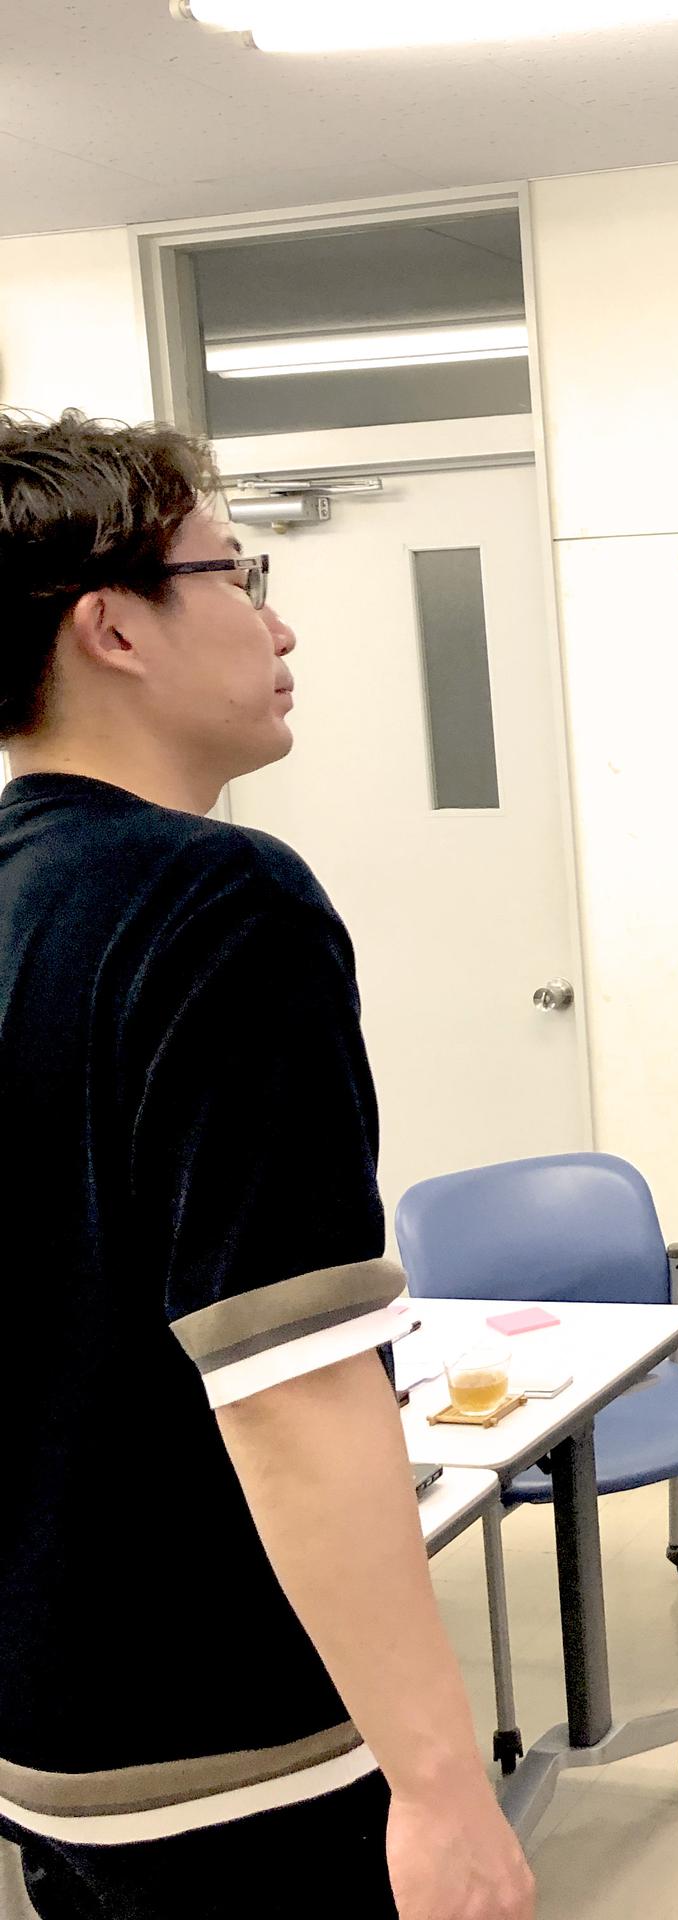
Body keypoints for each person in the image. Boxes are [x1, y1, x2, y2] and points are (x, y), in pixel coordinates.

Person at [0, 411, 534, 1920]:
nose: (278, 621)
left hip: (50, 1730)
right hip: (229, 1742)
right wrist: (440, 1785)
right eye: (236, 573)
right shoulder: (218, 901)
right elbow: (290, 1387)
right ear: (113, 627)